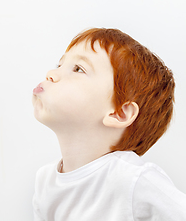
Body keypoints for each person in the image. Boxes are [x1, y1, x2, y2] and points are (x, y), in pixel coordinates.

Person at [32, 28, 186, 221]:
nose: (51, 73)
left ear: (119, 113)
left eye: (78, 68)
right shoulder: (45, 181)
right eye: (60, 64)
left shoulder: (132, 179)